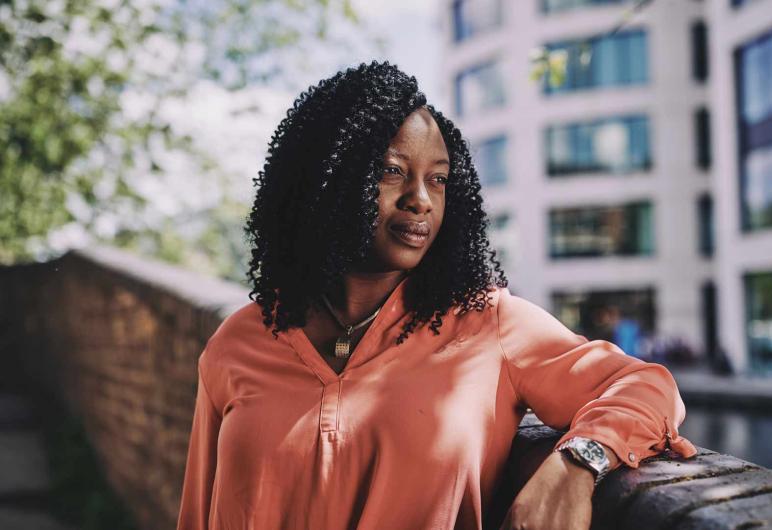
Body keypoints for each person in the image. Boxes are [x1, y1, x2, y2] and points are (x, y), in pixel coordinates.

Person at [176, 61, 697, 530]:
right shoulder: (239, 341)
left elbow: (644, 385)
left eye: (439, 180)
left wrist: (578, 463)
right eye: (391, 172)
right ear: (326, 180)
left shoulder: (487, 325)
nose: (421, 200)